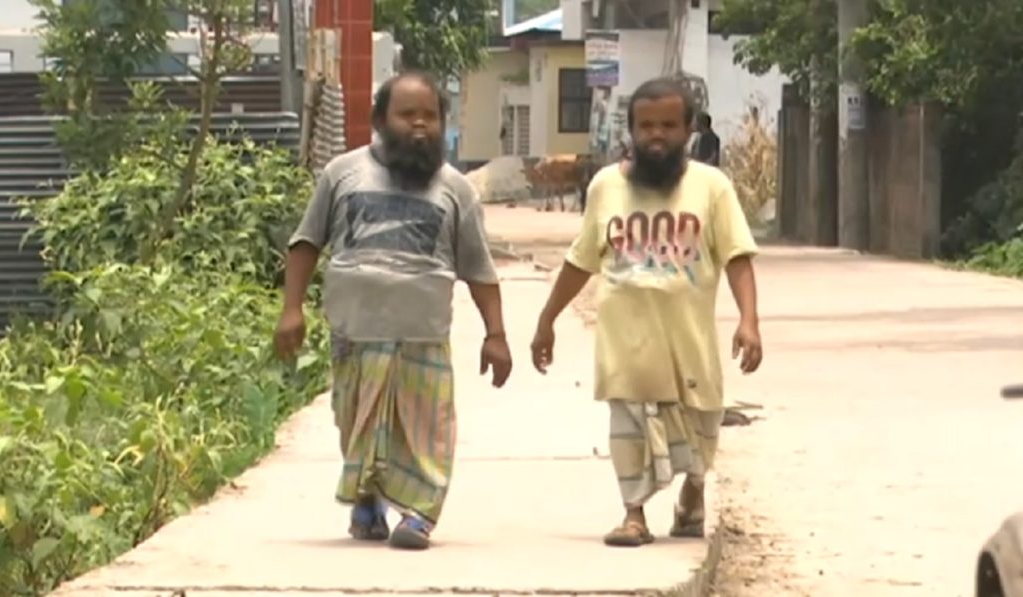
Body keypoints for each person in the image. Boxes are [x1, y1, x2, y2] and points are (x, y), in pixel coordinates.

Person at [274, 71, 513, 551]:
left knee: (427, 428)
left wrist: (496, 334)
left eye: (430, 116)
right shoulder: (342, 173)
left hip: (423, 335)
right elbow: (306, 243)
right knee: (355, 421)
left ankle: (420, 513)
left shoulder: (456, 189)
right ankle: (367, 499)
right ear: (380, 120)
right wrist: (291, 309)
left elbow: (479, 269)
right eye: (407, 115)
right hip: (353, 333)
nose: (419, 124)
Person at [529, 77, 762, 547]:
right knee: (628, 426)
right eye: (646, 126)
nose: (657, 135)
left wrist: (749, 321)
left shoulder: (712, 187)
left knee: (702, 425)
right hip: (626, 343)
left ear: (689, 129)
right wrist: (546, 320)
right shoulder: (606, 186)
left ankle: (693, 492)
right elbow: (581, 260)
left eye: (668, 126)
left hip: (688, 342)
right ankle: (633, 514)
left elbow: (737, 256)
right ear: (631, 130)